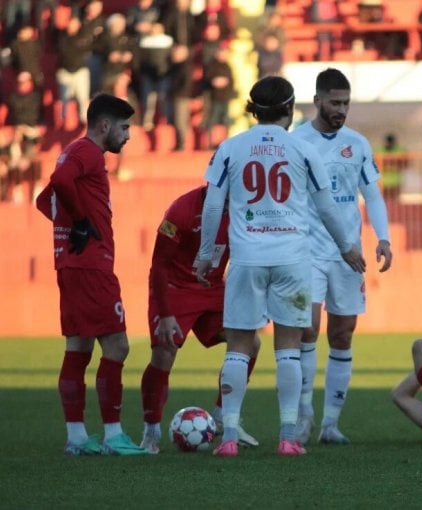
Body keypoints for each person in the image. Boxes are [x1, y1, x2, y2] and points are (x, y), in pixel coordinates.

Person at [195, 75, 365, 457]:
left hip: (246, 259)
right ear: (289, 109)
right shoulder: (303, 149)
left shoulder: (231, 148)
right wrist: (347, 247)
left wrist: (207, 252)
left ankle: (229, 438)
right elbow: (327, 207)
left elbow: (211, 205)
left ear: (254, 109)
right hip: (293, 259)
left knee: (238, 347)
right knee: (289, 347)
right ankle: (288, 436)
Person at [34, 93, 149, 456]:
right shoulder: (87, 153)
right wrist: (81, 222)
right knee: (117, 345)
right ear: (105, 126)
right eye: (125, 127)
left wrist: (69, 228)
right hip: (91, 266)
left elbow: (43, 199)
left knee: (79, 347)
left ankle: (77, 438)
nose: (128, 136)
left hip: (71, 264)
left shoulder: (74, 150)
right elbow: (61, 180)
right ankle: (114, 434)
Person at [292, 68, 393, 446]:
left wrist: (383, 238)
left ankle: (330, 424)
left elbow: (374, 196)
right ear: (317, 101)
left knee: (342, 333)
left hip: (348, 254)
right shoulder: (297, 141)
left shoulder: (358, 144)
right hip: (307, 252)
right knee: (307, 330)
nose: (341, 109)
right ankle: (304, 414)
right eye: (334, 102)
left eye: (346, 103)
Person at [139, 185, 261, 454]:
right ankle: (151, 431)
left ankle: (221, 417)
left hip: (213, 288)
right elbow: (159, 264)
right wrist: (166, 313)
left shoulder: (244, 209)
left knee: (251, 343)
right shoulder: (181, 210)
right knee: (164, 352)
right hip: (175, 288)